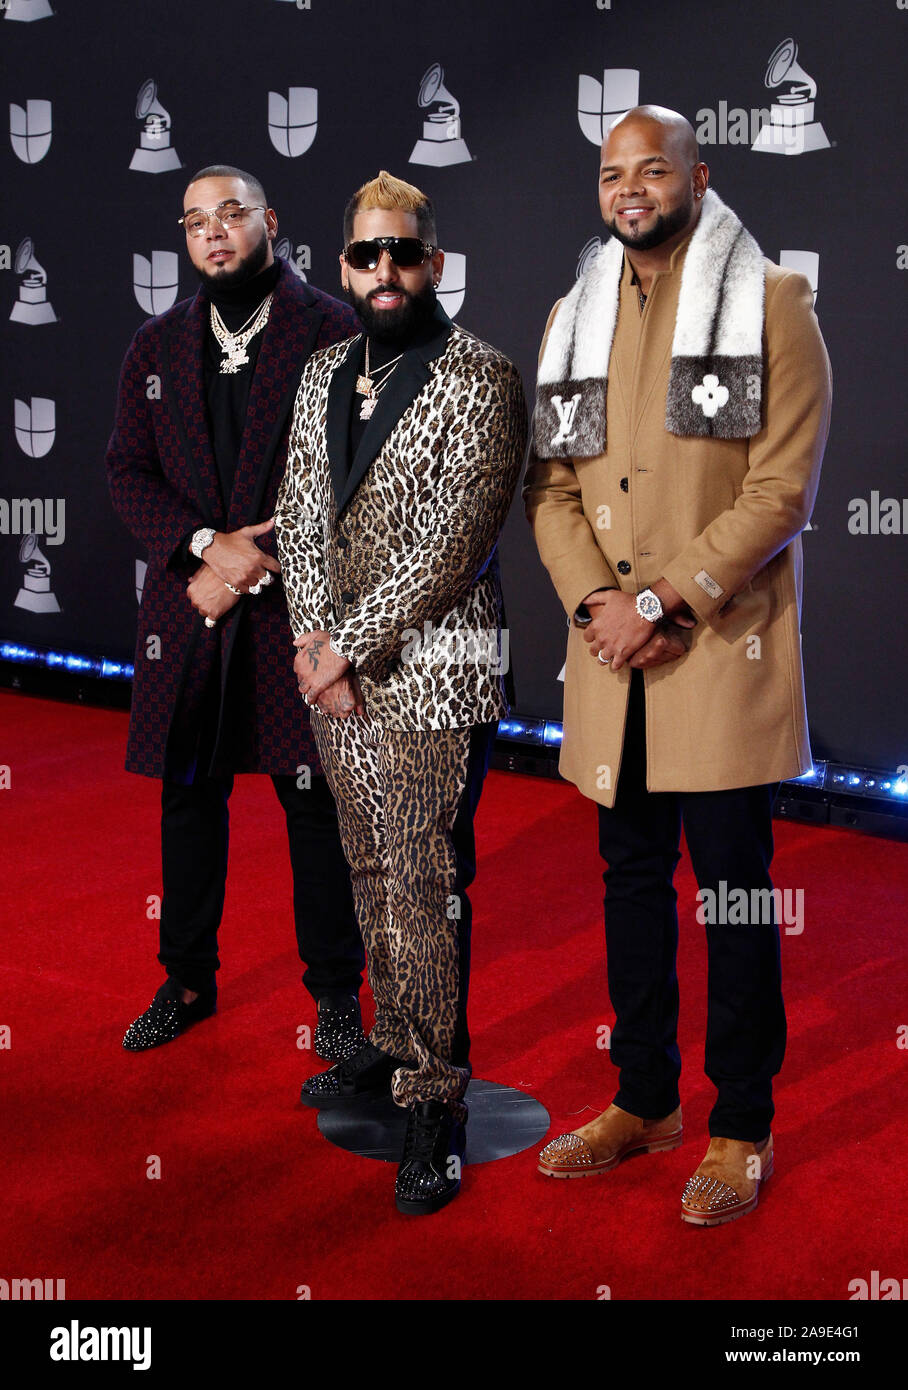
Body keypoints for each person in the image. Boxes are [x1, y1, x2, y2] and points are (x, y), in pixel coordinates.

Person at [524, 107, 831, 1225]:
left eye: (652, 169)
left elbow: (778, 492)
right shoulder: (573, 314)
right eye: (613, 174)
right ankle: (643, 1098)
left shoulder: (766, 301)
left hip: (712, 651)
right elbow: (552, 490)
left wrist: (661, 601)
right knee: (628, 883)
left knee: (738, 897)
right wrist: (601, 604)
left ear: (698, 175)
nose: (630, 188)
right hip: (613, 659)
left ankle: (739, 1125)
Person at [275, 171, 527, 1215]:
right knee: (366, 860)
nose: (386, 271)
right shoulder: (322, 371)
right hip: (333, 670)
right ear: (344, 265)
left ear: (434, 262)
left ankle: (436, 1100)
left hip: (434, 667)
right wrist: (308, 641)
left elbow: (452, 549)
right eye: (367, 255)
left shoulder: (481, 377)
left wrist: (345, 648)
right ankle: (388, 1044)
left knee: (421, 878)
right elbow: (294, 514)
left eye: (404, 254)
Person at [106, 164, 367, 1063]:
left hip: (299, 614)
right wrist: (201, 548)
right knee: (189, 799)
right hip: (189, 608)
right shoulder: (156, 345)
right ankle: (185, 978)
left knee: (314, 806)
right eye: (194, 223)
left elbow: (352, 483)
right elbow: (126, 473)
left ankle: (335, 998)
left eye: (230, 215)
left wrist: (247, 565)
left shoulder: (331, 330)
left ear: (269, 221)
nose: (213, 233)